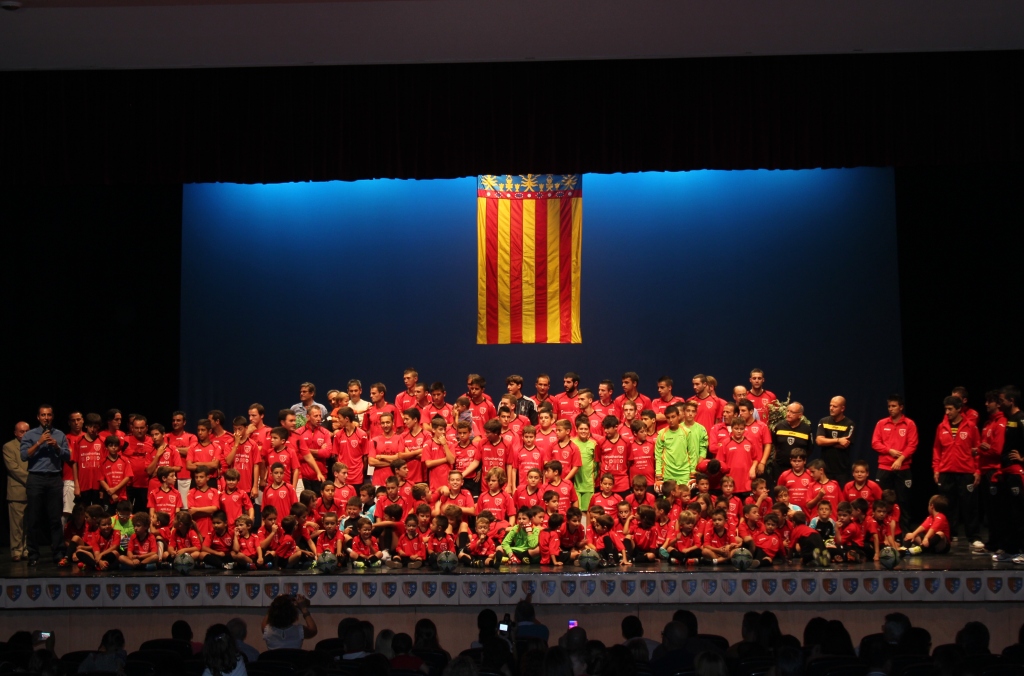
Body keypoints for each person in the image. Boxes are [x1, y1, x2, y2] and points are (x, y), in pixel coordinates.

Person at [21, 405, 72, 566]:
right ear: (38, 417)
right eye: (43, 415)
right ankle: (33, 554)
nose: (46, 418)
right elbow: (24, 456)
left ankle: (58, 553)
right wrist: (39, 442)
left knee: (55, 519)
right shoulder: (30, 434)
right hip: (36, 478)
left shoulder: (59, 434)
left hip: (54, 478)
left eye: (49, 415)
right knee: (33, 519)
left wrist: (57, 447)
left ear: (52, 416)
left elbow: (67, 456)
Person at [933, 395, 980, 542]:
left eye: (950, 409)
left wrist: (977, 470)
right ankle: (950, 534)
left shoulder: (971, 426)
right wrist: (936, 468)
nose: (947, 412)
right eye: (945, 409)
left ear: (959, 409)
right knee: (947, 505)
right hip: (946, 471)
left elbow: (977, 449)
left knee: (969, 505)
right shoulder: (941, 427)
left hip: (966, 471)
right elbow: (937, 449)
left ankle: (973, 536)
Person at [870, 394, 918, 533]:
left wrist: (900, 459)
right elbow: (875, 443)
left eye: (894, 406)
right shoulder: (881, 423)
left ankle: (904, 533)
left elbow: (912, 445)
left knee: (904, 501)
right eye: (889, 406)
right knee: (882, 501)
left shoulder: (909, 424)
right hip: (884, 467)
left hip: (903, 468)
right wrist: (889, 451)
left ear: (901, 407)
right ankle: (882, 532)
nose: (890, 409)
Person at [4, 421, 30, 562]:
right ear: (15, 433)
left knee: (28, 523)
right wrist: (32, 479)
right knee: (17, 525)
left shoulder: (34, 445)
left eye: (27, 431)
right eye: (22, 431)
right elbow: (13, 469)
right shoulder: (8, 447)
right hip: (17, 491)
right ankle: (16, 550)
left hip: (32, 491)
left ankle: (26, 549)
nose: (25, 434)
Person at [815, 396, 856, 487]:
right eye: (830, 405)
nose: (831, 408)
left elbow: (844, 444)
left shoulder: (849, 424)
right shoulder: (823, 421)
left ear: (842, 408)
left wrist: (826, 442)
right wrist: (838, 440)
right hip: (825, 469)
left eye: (835, 406)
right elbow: (819, 441)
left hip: (842, 470)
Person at [770, 403, 813, 488]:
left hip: (798, 469)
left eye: (792, 412)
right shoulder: (779, 427)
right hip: (780, 467)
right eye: (788, 411)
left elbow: (810, 448)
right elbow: (774, 444)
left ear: (800, 415)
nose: (788, 414)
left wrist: (799, 461)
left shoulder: (806, 429)